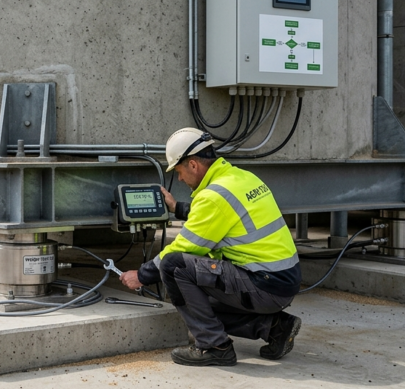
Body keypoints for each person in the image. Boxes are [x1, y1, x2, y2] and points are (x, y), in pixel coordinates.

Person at [119, 127, 302, 367]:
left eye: (180, 171)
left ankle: (215, 347)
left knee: (175, 268)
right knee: (200, 306)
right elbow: (219, 215)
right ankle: (275, 327)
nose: (181, 179)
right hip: (283, 281)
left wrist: (142, 275)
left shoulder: (214, 197)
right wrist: (178, 207)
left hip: (264, 286)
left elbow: (182, 249)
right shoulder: (241, 178)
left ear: (193, 164)